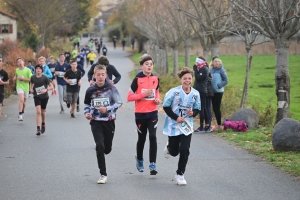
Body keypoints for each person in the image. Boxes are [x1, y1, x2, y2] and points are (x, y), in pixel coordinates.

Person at [84, 64, 122, 184]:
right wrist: (87, 114)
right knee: (99, 146)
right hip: (96, 122)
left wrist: (108, 109)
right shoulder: (90, 90)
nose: (100, 77)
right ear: (94, 76)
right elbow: (86, 104)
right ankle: (103, 174)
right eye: (98, 75)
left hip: (109, 121)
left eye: (102, 74)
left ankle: (105, 150)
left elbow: (119, 102)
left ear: (106, 75)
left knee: (107, 148)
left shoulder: (111, 88)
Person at [162, 67, 200, 186]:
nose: (187, 81)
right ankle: (169, 148)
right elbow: (166, 107)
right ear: (180, 80)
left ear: (192, 80)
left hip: (186, 126)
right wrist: (176, 117)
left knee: (185, 149)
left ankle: (180, 174)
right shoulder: (174, 92)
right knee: (174, 152)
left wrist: (193, 113)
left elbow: (198, 108)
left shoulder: (195, 93)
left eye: (189, 78)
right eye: (185, 78)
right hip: (174, 125)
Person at [127, 55, 160, 175]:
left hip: (153, 113)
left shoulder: (155, 78)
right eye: (147, 64)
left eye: (151, 64)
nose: (149, 66)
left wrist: (157, 99)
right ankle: (139, 159)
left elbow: (156, 91)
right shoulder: (137, 79)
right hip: (140, 114)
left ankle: (152, 164)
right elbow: (129, 97)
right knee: (142, 139)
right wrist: (142, 94)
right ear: (141, 66)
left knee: (153, 137)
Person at [30, 64, 53, 135]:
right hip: (36, 96)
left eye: (39, 69)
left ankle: (43, 123)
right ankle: (38, 129)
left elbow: (51, 86)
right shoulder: (33, 77)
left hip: (44, 96)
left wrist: (46, 90)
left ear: (42, 70)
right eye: (37, 68)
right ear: (35, 70)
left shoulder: (45, 77)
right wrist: (31, 89)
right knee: (38, 111)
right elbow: (31, 83)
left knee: (43, 112)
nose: (38, 70)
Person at [209, 57, 228, 131]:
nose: (216, 63)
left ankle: (219, 125)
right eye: (215, 61)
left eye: (218, 61)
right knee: (213, 108)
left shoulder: (222, 70)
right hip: (211, 91)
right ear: (213, 63)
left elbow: (226, 80)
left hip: (218, 92)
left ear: (220, 63)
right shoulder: (211, 70)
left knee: (217, 108)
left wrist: (218, 85)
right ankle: (216, 124)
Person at [193, 57, 210, 133]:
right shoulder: (202, 68)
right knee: (203, 108)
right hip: (199, 90)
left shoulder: (204, 69)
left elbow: (199, 78)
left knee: (201, 108)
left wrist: (195, 70)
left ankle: (202, 126)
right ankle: (207, 125)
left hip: (201, 91)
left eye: (197, 62)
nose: (196, 64)